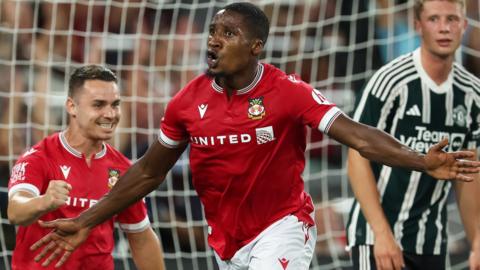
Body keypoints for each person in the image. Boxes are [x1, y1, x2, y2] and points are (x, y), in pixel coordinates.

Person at [30, 3, 480, 270]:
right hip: (227, 239)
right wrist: (87, 221)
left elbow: (358, 137)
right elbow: (148, 172)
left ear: (255, 47)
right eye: (212, 32)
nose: (214, 41)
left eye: (229, 34)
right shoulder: (186, 103)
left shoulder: (288, 93)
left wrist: (422, 161)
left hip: (284, 226)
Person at [345, 0, 480, 269]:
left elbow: (468, 173)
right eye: (434, 19)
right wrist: (381, 235)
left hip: (430, 239)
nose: (444, 28)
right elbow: (356, 159)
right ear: (418, 25)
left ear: (464, 25)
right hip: (375, 236)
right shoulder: (390, 81)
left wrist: (477, 241)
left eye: (452, 19)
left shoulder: (472, 94)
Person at [6, 65, 165, 270]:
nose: (110, 114)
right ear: (72, 106)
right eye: (98, 105)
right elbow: (15, 211)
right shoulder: (39, 157)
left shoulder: (123, 169)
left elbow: (141, 238)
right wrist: (43, 202)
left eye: (115, 105)